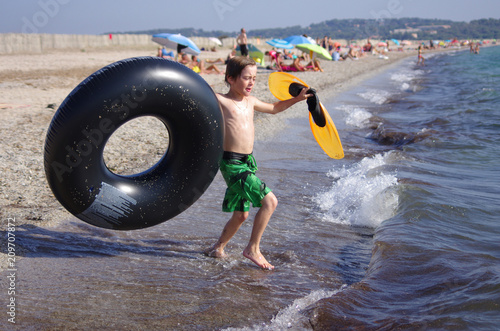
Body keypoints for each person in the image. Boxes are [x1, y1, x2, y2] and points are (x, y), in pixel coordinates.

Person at [205, 56, 311, 270]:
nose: (251, 83)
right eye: (246, 78)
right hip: (232, 165)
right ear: (231, 79)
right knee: (270, 201)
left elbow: (274, 108)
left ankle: (218, 248)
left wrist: (298, 99)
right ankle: (253, 249)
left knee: (241, 214)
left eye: (254, 78)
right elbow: (197, 92)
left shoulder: (251, 102)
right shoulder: (221, 100)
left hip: (248, 163)